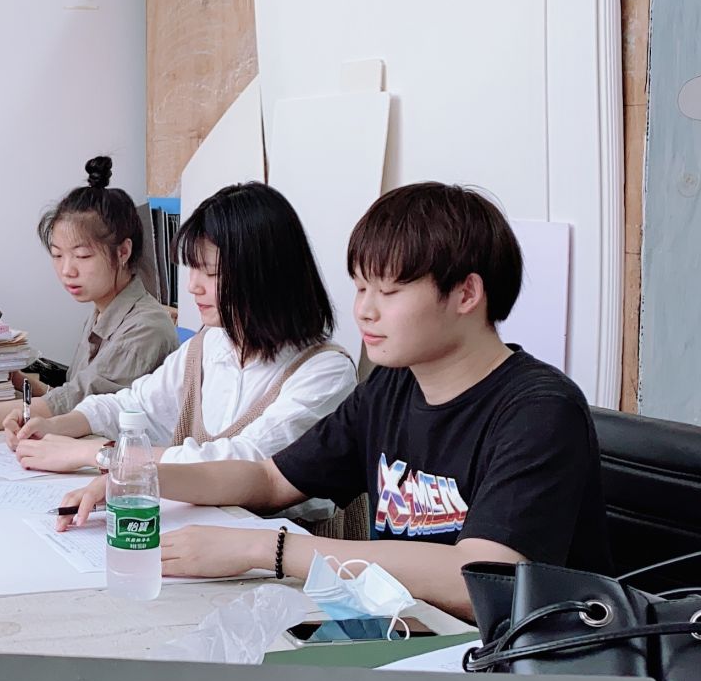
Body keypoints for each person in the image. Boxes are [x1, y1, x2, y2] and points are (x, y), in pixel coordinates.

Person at [55, 183, 610, 619]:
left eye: (389, 291)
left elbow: (480, 578)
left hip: (508, 664)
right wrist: (141, 477)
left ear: (466, 293)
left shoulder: (538, 411)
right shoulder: (392, 386)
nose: (364, 310)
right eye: (361, 287)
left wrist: (268, 551)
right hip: (402, 628)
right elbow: (271, 479)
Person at [5, 182, 356, 475]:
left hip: (281, 534)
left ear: (265, 273)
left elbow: (242, 461)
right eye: (192, 269)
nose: (192, 287)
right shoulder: (211, 344)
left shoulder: (324, 372)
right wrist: (56, 425)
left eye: (211, 272)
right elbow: (134, 404)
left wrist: (94, 454)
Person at [0, 156, 177, 433]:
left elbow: (79, 410)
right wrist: (34, 387)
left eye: (82, 256)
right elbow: (80, 395)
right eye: (57, 255)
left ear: (123, 252)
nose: (67, 270)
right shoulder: (104, 308)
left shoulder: (144, 328)